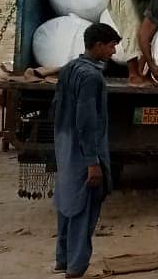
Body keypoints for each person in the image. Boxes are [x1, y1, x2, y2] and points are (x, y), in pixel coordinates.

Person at [52, 23, 120, 278]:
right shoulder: (92, 77)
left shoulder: (70, 68)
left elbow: (56, 107)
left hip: (65, 145)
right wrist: (93, 162)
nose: (114, 52)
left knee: (66, 204)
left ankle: (62, 259)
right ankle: (76, 267)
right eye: (112, 46)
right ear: (99, 45)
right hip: (85, 150)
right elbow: (87, 121)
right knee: (84, 207)